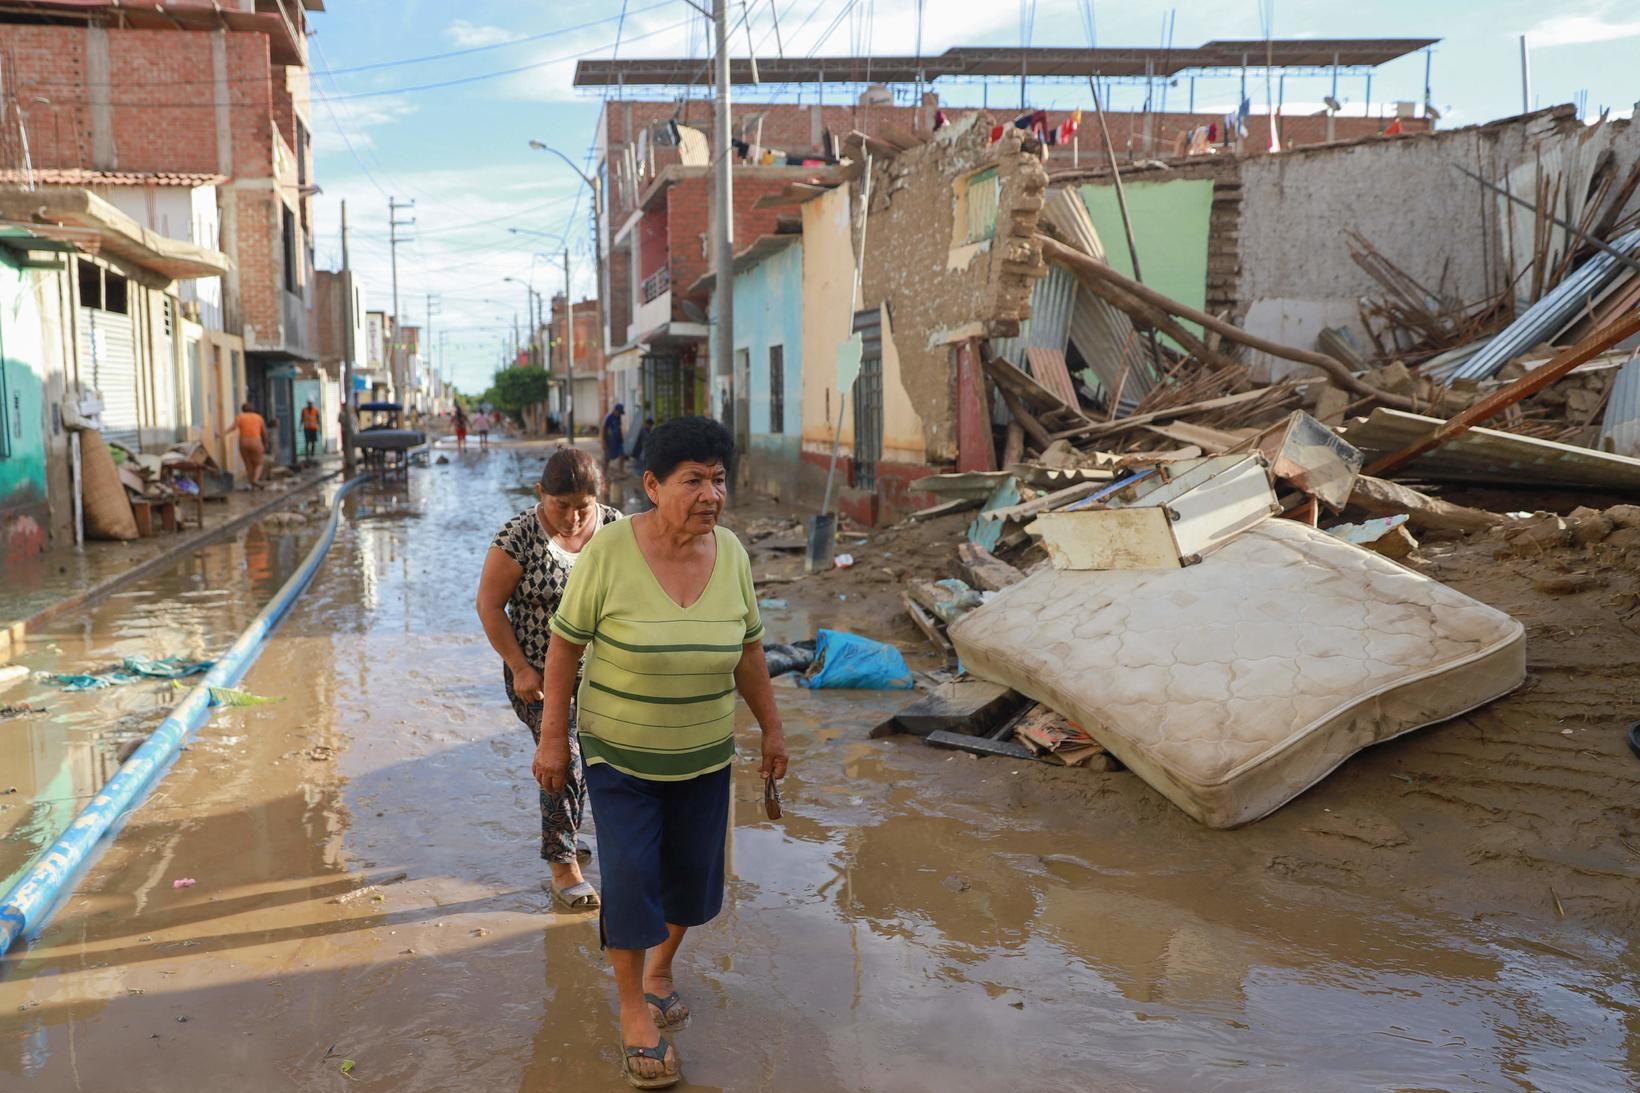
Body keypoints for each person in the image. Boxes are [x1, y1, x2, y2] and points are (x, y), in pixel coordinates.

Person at [534, 416, 787, 1089]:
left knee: (692, 879)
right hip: (620, 754)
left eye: (719, 479)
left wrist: (773, 728)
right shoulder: (610, 552)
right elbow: (565, 645)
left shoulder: (731, 553)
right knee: (631, 876)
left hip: (704, 753)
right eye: (693, 480)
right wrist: (553, 734)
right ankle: (632, 1011)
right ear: (651, 484)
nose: (711, 494)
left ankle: (660, 968)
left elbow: (751, 651)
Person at [477, 448, 623, 912]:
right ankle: (563, 866)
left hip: (603, 678)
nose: (574, 517)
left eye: (584, 506)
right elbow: (488, 605)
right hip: (538, 679)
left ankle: (572, 834)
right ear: (541, 494)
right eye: (562, 506)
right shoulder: (517, 538)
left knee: (601, 763)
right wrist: (520, 666)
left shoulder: (618, 531)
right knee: (564, 758)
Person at [221, 401, 268, 489]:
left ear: (242, 409)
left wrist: (222, 434)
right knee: (259, 463)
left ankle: (251, 485)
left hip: (243, 442)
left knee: (248, 464)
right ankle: (255, 480)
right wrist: (266, 443)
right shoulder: (259, 418)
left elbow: (233, 428)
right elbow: (264, 432)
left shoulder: (239, 417)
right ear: (253, 409)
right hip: (256, 442)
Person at [602, 403, 627, 479]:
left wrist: (622, 438)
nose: (619, 414)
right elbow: (603, 431)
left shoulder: (618, 417)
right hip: (610, 441)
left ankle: (621, 472)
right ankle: (603, 474)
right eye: (619, 412)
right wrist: (604, 443)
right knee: (607, 458)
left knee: (622, 455)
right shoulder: (608, 418)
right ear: (615, 411)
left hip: (618, 440)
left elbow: (619, 429)